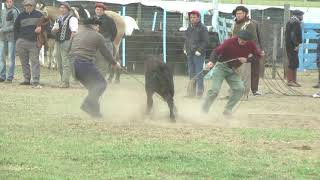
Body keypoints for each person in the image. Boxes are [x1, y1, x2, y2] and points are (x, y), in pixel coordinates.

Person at [202, 30, 263, 116]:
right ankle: (205, 108)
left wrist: (247, 60)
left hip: (233, 70)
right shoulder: (229, 42)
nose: (242, 41)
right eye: (241, 39)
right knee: (215, 90)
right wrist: (211, 61)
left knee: (240, 89)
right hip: (221, 67)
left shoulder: (251, 45)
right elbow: (216, 51)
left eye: (245, 40)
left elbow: (258, 56)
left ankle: (227, 110)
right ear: (238, 37)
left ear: (248, 40)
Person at [69, 17, 120, 118]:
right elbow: (105, 52)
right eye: (97, 25)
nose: (98, 27)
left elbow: (69, 49)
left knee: (94, 88)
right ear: (94, 25)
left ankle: (95, 113)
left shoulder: (77, 34)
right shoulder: (98, 36)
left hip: (73, 64)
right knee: (101, 84)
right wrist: (114, 63)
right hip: (83, 63)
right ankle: (86, 104)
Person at [231, 5, 265, 96]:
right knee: (239, 71)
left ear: (245, 14)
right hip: (237, 49)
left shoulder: (250, 24)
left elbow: (255, 38)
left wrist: (258, 50)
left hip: (250, 49)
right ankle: (239, 89)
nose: (238, 15)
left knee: (254, 70)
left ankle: (254, 90)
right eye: (237, 13)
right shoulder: (234, 24)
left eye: (240, 13)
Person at [14, 0, 43, 88]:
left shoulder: (39, 15)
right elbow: (15, 28)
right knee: (24, 62)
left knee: (35, 62)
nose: (28, 7)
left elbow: (46, 25)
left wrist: (41, 28)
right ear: (24, 6)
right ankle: (27, 80)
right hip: (21, 42)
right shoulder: (20, 16)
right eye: (26, 5)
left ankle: (35, 81)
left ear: (34, 6)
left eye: (30, 5)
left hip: (34, 42)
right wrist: (17, 39)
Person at [52, 2, 78, 88]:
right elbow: (53, 31)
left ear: (68, 9)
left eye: (64, 8)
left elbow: (74, 32)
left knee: (65, 62)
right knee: (59, 62)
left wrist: (70, 43)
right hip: (58, 42)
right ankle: (63, 79)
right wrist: (55, 30)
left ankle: (65, 82)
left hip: (66, 41)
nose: (62, 9)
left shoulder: (72, 18)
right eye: (61, 7)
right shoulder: (58, 19)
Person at [94, 2, 120, 83]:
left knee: (104, 62)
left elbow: (114, 32)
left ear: (103, 11)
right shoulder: (93, 18)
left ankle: (100, 80)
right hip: (94, 43)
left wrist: (108, 40)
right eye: (97, 9)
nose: (98, 11)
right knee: (96, 62)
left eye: (100, 10)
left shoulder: (109, 20)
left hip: (105, 42)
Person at [184, 10, 209, 97]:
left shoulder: (203, 28)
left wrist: (200, 50)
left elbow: (205, 41)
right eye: (191, 17)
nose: (192, 19)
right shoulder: (189, 28)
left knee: (199, 72)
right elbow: (187, 40)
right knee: (191, 72)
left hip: (198, 54)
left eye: (194, 17)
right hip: (190, 53)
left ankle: (200, 91)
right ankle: (191, 92)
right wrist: (185, 48)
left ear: (198, 18)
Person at [0, 0, 19, 83]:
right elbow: (1, 22)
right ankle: (2, 76)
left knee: (11, 58)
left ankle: (10, 77)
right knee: (1, 57)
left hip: (11, 37)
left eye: (10, 2)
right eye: (7, 2)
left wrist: (3, 29)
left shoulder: (15, 11)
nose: (8, 3)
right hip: (2, 37)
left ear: (13, 2)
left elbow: (15, 25)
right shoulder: (3, 11)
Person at [285, 10, 304, 87]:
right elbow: (293, 35)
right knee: (293, 62)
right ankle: (290, 81)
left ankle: (293, 80)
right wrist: (296, 44)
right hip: (292, 45)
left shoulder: (290, 21)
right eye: (301, 15)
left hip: (289, 45)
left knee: (295, 62)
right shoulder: (295, 22)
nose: (302, 17)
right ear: (298, 15)